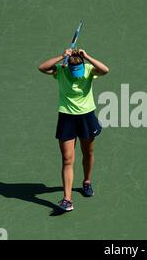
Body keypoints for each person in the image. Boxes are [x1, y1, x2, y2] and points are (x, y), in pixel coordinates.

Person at [38, 48, 109, 211]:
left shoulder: (89, 69)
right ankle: (67, 199)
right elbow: (42, 68)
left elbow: (105, 70)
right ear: (67, 66)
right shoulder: (61, 71)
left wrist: (87, 56)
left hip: (87, 117)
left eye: (79, 70)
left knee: (88, 152)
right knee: (67, 159)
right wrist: (62, 57)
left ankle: (87, 182)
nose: (77, 74)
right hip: (67, 118)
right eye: (74, 70)